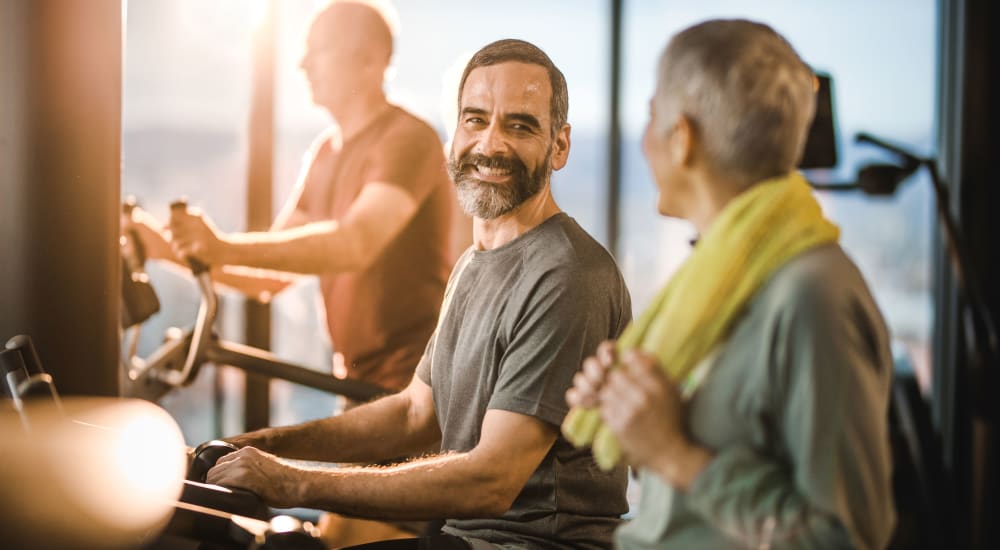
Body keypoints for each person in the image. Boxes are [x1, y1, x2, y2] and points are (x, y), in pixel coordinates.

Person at [204, 39, 632, 549]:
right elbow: (414, 413)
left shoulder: (566, 275)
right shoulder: (475, 264)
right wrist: (261, 446)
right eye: (475, 120)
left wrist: (292, 481)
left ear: (559, 147)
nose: (490, 144)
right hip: (465, 537)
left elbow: (493, 479)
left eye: (519, 126)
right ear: (454, 135)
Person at [564, 19, 896, 549]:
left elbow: (843, 539)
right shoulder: (716, 279)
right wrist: (635, 420)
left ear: (683, 139)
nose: (644, 142)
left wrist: (674, 451)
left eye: (651, 119)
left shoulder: (812, 296)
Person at [126, 0, 455, 394]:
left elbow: (357, 244)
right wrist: (165, 249)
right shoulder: (324, 154)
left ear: (370, 61)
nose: (303, 65)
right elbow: (270, 277)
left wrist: (220, 247)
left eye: (319, 49)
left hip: (414, 385)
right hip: (355, 383)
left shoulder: (407, 139)